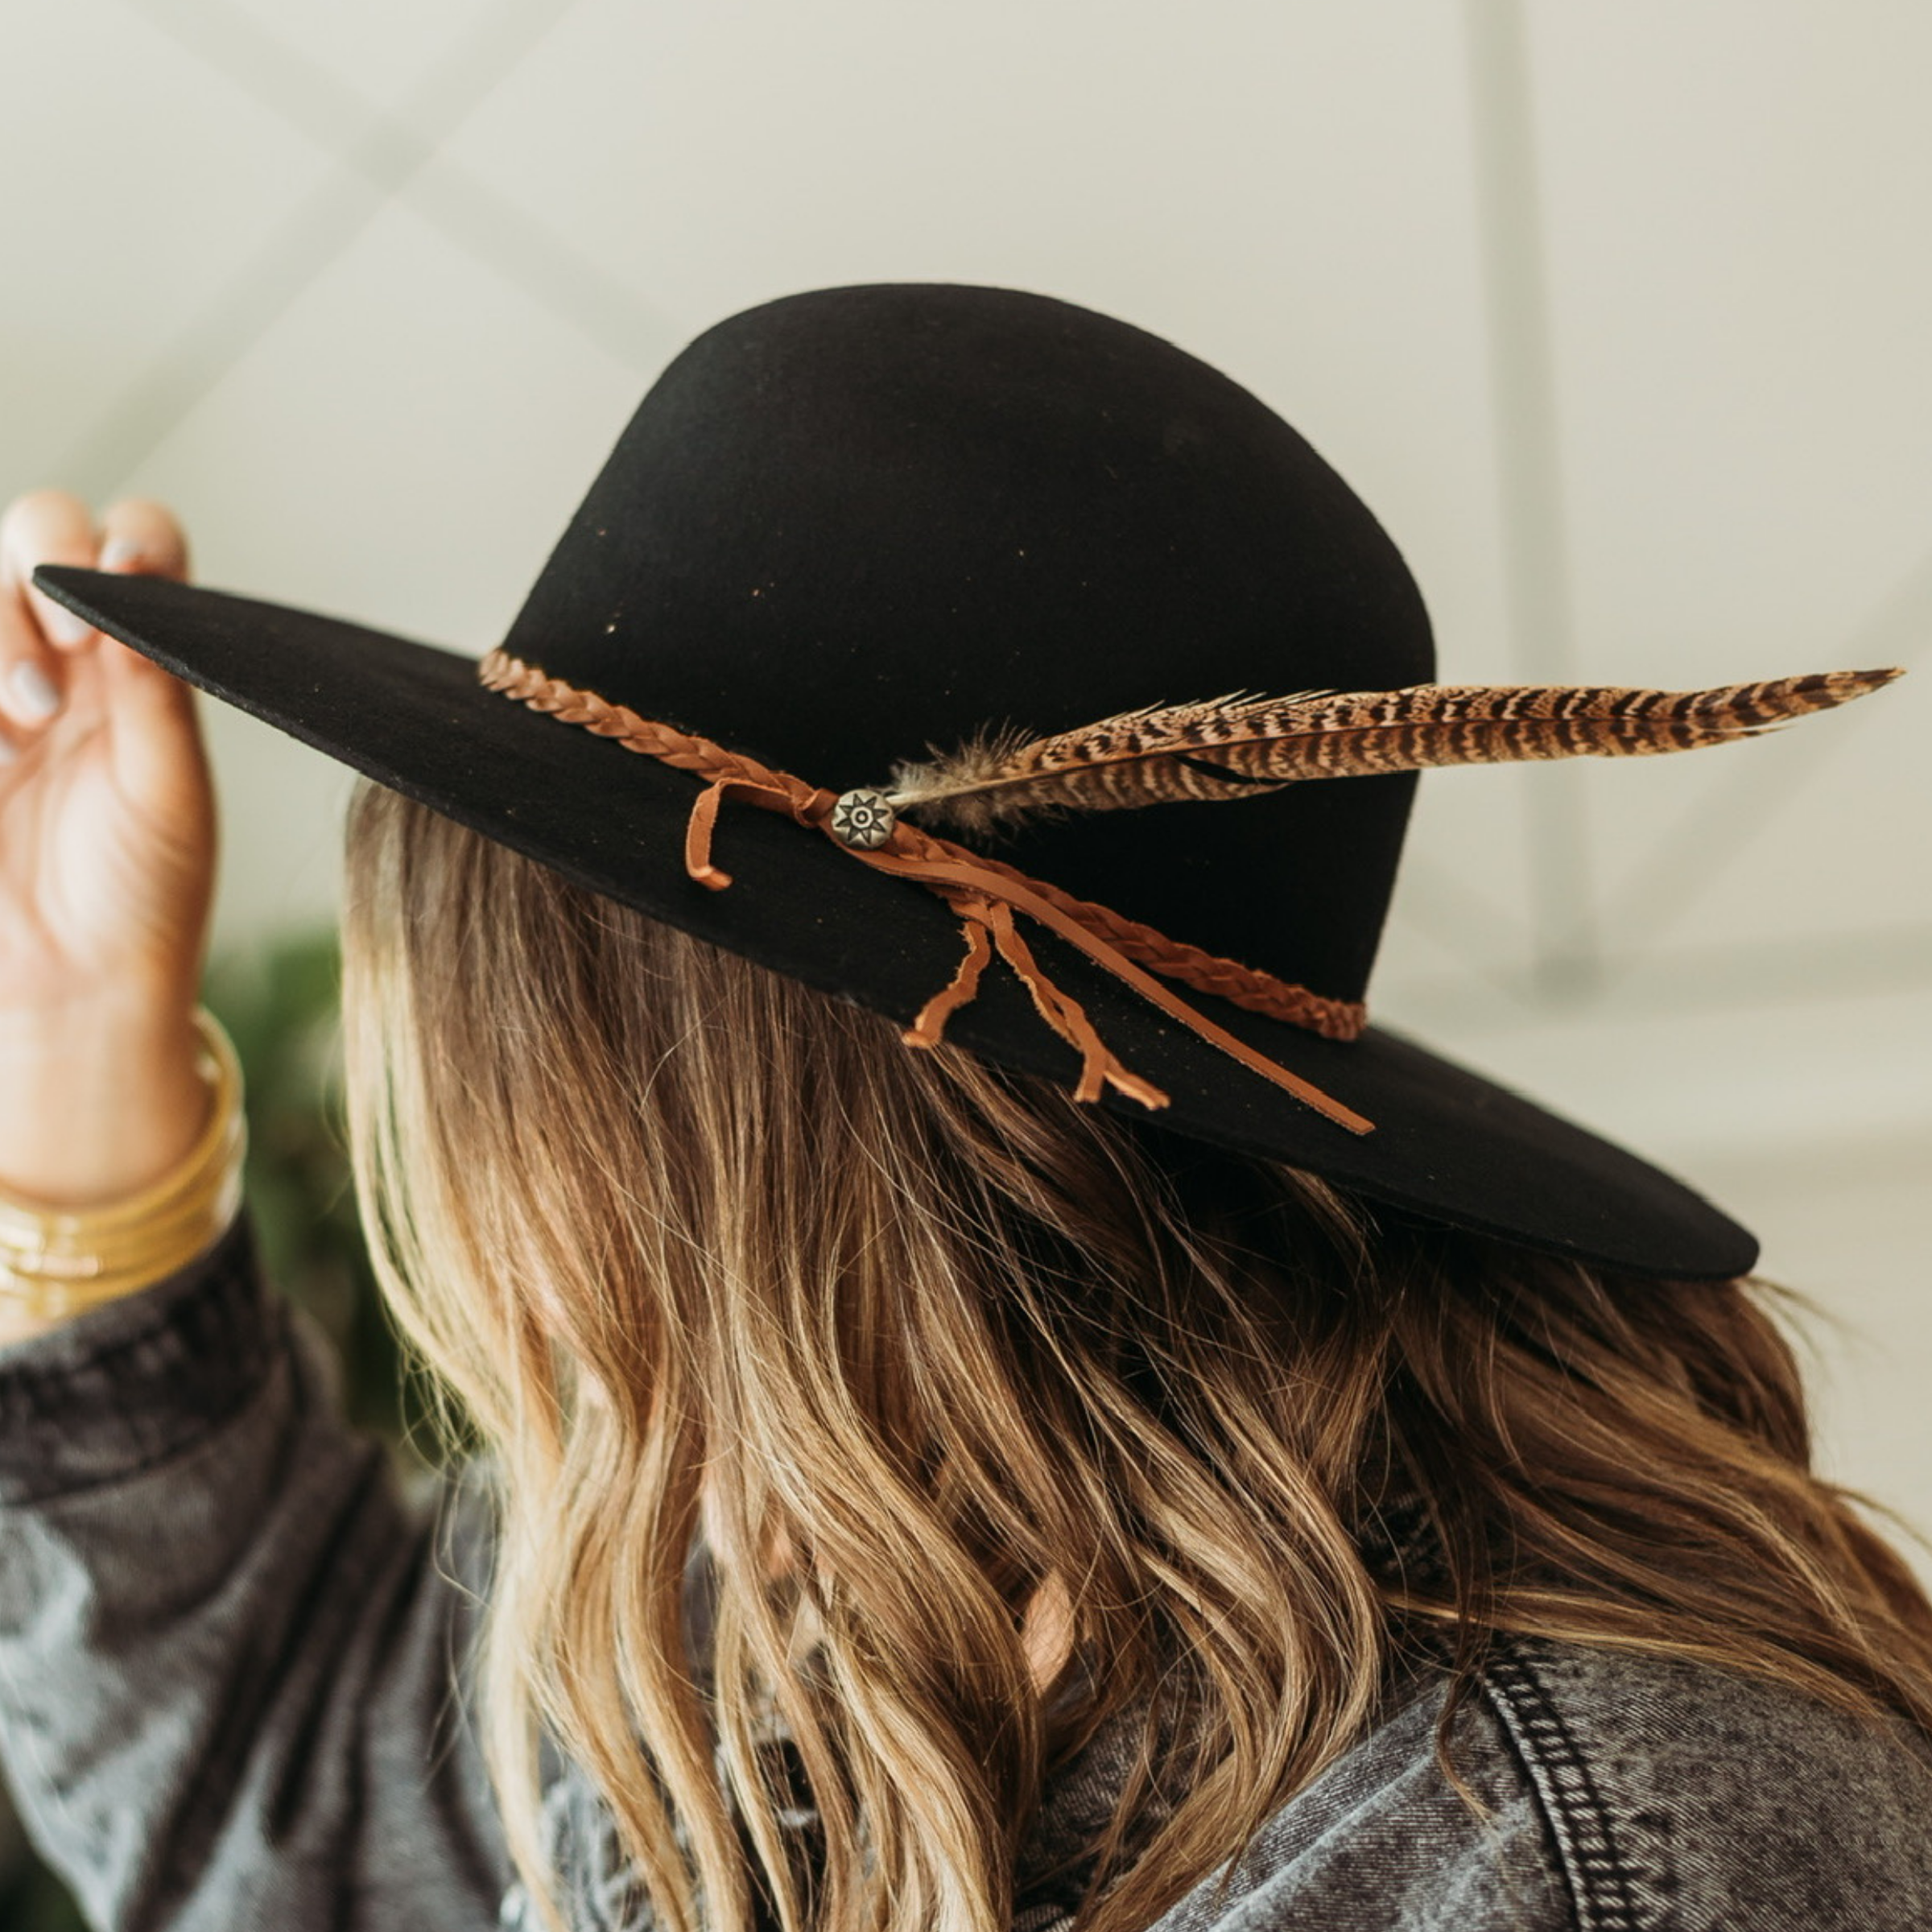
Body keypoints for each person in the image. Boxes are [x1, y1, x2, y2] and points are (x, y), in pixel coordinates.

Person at [0, 283, 1927, 1932]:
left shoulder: (1543, 1854)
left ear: (664, 1111)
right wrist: (73, 1035)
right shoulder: (800, 1552)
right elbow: (306, 1823)